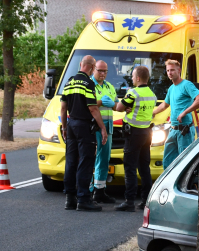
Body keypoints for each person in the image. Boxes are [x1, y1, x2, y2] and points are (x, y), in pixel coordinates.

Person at [60, 55, 108, 211]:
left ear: (81, 64)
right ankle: (83, 199)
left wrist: (64, 127)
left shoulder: (69, 82)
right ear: (92, 67)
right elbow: (93, 108)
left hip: (71, 123)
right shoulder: (88, 83)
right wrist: (102, 127)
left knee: (71, 161)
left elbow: (63, 108)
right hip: (83, 126)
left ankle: (70, 198)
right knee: (86, 161)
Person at [114, 65, 158, 212]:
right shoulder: (152, 94)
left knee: (130, 167)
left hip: (134, 134)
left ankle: (129, 201)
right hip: (146, 133)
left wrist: (122, 106)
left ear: (138, 78)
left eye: (133, 76)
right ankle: (145, 200)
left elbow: (119, 107)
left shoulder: (133, 92)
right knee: (144, 168)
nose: (132, 78)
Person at [153, 59, 199, 168]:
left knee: (184, 164)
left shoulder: (186, 84)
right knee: (167, 163)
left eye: (172, 70)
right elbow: (165, 104)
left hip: (185, 130)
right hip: (173, 130)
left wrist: (185, 112)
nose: (170, 73)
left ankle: (183, 185)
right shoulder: (171, 88)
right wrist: (153, 113)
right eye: (168, 71)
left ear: (179, 70)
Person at [89, 60, 117, 203]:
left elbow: (116, 104)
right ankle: (88, 191)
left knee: (104, 159)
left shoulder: (110, 87)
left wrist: (116, 105)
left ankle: (100, 191)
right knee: (90, 158)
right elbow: (88, 105)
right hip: (94, 127)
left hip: (108, 126)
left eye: (105, 71)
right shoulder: (89, 85)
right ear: (93, 69)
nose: (102, 74)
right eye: (100, 70)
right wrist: (100, 102)